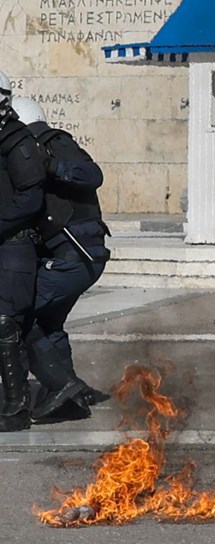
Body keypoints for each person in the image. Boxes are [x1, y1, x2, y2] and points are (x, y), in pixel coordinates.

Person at [5, 97, 111, 424]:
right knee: (49, 323)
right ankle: (71, 394)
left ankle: (62, 385)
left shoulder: (50, 142)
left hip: (75, 253)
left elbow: (92, 174)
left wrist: (51, 165)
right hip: (73, 255)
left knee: (19, 318)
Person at [0, 73, 49, 432]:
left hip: (15, 245)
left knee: (5, 324)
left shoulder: (17, 140)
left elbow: (30, 197)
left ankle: (17, 409)